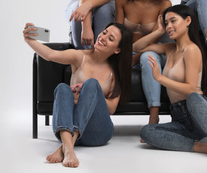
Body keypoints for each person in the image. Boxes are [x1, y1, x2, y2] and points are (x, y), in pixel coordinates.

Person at [133, 5, 207, 169]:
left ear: (188, 21)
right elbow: (137, 48)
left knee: (192, 97)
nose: (169, 26)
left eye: (173, 21)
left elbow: (191, 89)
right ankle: (203, 147)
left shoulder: (192, 49)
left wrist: (160, 78)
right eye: (166, 23)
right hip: (180, 119)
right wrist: (158, 30)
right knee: (146, 132)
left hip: (201, 112)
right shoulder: (169, 49)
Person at [23, 22, 132, 168]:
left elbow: (111, 108)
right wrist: (30, 40)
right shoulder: (80, 56)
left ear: (118, 49)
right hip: (65, 129)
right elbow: (50, 55)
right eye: (104, 32)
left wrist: (92, 91)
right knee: (62, 88)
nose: (103, 37)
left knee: (92, 84)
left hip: (97, 133)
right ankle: (68, 148)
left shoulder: (115, 71)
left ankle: (65, 148)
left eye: (111, 38)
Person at [116, 0, 173, 125]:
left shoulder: (164, 4)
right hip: (127, 48)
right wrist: (123, 56)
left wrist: (132, 59)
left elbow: (154, 41)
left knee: (148, 58)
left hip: (152, 49)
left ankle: (154, 115)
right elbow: (118, 32)